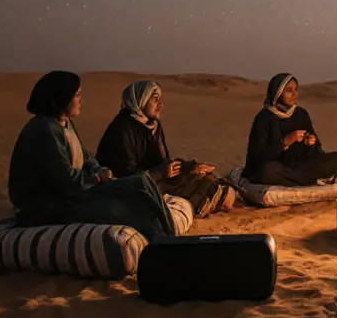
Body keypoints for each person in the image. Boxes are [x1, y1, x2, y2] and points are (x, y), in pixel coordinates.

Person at [7, 71, 174, 238]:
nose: (82, 100)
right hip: (48, 207)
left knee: (142, 181)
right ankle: (161, 243)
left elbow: (86, 159)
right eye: (77, 95)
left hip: (73, 195)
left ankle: (171, 236)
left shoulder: (65, 124)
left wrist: (100, 171)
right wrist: (96, 178)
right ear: (62, 97)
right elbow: (66, 181)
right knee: (124, 209)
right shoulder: (44, 130)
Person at [96, 80, 237, 217]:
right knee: (219, 194)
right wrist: (159, 174)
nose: (160, 105)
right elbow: (126, 178)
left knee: (210, 180)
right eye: (155, 99)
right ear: (141, 100)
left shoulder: (153, 126)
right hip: (130, 190)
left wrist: (190, 167)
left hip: (156, 182)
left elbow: (165, 163)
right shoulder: (122, 130)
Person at [242, 73, 337, 187]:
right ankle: (314, 180)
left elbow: (316, 151)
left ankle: (303, 179)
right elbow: (258, 157)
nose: (294, 94)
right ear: (277, 92)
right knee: (266, 172)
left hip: (299, 166)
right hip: (279, 167)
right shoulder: (264, 118)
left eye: (296, 90)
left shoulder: (301, 114)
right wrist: (285, 142)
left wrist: (311, 142)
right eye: (289, 90)